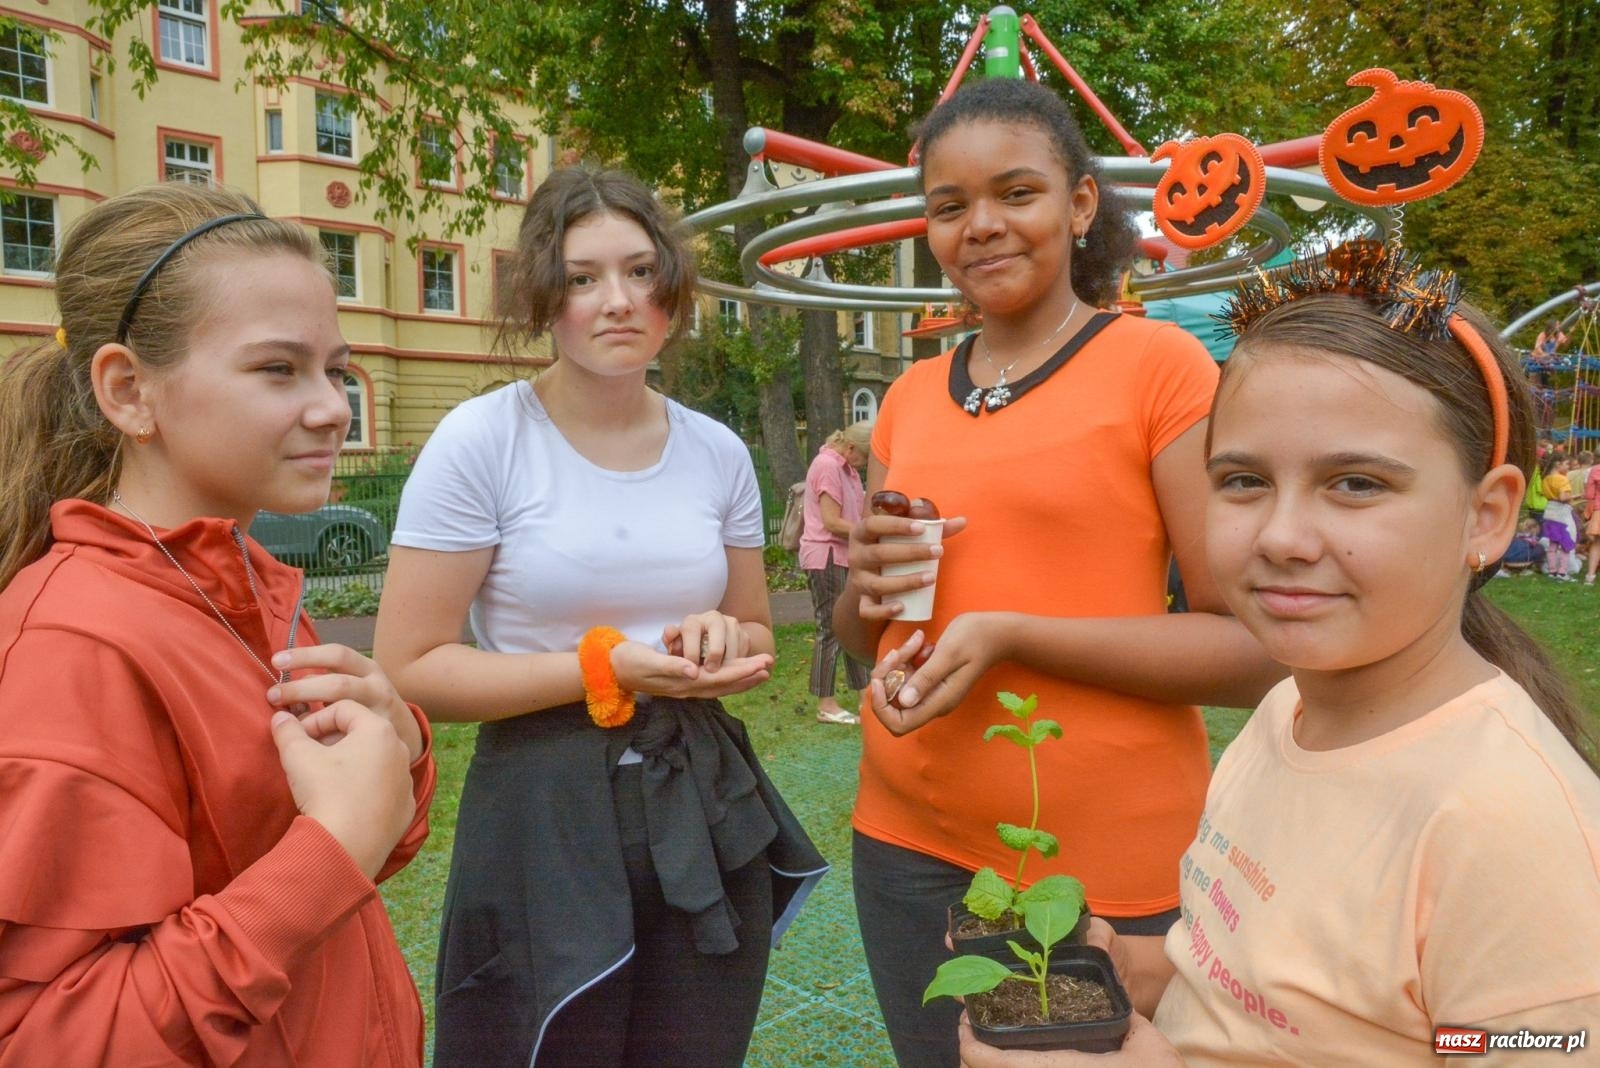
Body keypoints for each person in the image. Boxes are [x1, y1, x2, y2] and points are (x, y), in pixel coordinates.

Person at [954, 249, 1600, 1067]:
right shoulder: (1286, 713)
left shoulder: (1512, 834)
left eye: (1357, 483)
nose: (1281, 537)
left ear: (1487, 515)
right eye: (1244, 480)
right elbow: (1255, 994)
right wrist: (1138, 969)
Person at [832, 77, 1285, 1067]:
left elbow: (1251, 646)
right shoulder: (906, 399)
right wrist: (861, 596)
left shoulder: (1162, 370)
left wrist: (1014, 633)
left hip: (1097, 866)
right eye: (949, 207)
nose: (980, 226)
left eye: (1015, 193)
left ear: (1079, 205)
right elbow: (871, 638)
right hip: (904, 840)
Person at [372, 167, 827, 1068]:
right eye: (582, 278)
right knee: (546, 1042)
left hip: (697, 793)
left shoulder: (716, 451)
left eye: (640, 271)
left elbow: (758, 628)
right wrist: (607, 668)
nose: (617, 301)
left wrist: (726, 640)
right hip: (542, 805)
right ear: (545, 294)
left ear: (673, 289)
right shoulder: (483, 440)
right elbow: (411, 664)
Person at [0, 183, 435, 1064]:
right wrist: (332, 848)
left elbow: (328, 857)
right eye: (278, 369)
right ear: (128, 391)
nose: (332, 407)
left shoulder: (241, 582)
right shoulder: (73, 647)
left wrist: (400, 752)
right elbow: (53, 1039)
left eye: (335, 368)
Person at [801, 420, 874, 724]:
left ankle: (865, 696)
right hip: (825, 555)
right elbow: (831, 521)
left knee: (853, 625)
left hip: (845, 556)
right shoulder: (827, 466)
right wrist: (870, 531)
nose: (865, 465)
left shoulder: (848, 469)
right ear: (852, 448)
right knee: (831, 628)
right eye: (865, 458)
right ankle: (826, 704)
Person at [1538, 451, 1577, 579]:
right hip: (1562, 514)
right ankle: (1562, 572)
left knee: (1552, 544)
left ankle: (1552, 571)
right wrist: (1572, 497)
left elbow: (1550, 496)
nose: (1568, 467)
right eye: (1566, 464)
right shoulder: (1562, 479)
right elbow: (1562, 497)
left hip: (1549, 512)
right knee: (1566, 544)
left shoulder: (1546, 478)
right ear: (1557, 464)